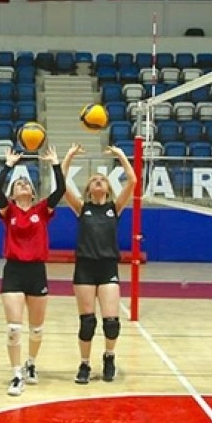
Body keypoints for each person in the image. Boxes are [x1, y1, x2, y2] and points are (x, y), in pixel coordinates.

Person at [60, 143, 137, 384]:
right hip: (85, 268)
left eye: (102, 179)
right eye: (94, 180)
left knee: (111, 323)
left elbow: (133, 181)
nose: (98, 182)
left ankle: (109, 357)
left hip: (107, 268)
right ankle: (84, 365)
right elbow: (61, 185)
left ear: (108, 188)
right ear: (88, 189)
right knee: (87, 323)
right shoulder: (83, 208)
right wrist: (69, 157)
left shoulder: (115, 208)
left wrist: (122, 156)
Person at [0, 145, 65, 396]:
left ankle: (31, 363)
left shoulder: (42, 210)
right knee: (13, 327)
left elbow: (61, 190)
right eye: (18, 184)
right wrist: (9, 166)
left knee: (36, 327)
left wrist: (56, 163)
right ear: (12, 193)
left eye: (26, 183)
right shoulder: (8, 211)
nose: (23, 184)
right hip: (13, 271)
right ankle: (16, 374)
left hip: (36, 271)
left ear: (33, 193)